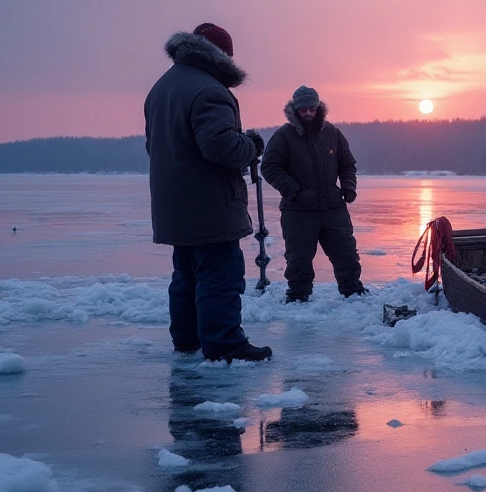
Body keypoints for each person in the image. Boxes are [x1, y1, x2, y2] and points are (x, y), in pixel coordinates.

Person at [144, 23, 272, 363]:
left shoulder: (162, 87)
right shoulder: (208, 89)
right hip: (209, 205)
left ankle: (187, 339)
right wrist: (251, 146)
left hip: (175, 205)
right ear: (220, 56)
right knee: (220, 276)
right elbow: (220, 146)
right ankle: (225, 344)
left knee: (186, 276)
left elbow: (152, 146)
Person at [261, 86, 366, 302]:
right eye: (303, 110)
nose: (308, 113)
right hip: (298, 210)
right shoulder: (284, 136)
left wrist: (348, 186)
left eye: (312, 109)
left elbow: (347, 164)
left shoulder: (332, 133)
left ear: (318, 109)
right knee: (298, 259)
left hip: (333, 207)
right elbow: (270, 167)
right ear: (295, 111)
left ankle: (353, 293)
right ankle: (298, 295)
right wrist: (294, 191)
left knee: (346, 253)